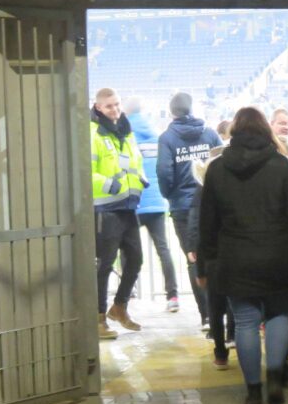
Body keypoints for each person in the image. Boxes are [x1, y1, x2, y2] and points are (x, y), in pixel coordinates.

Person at [197, 107, 288, 404]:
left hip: (235, 257)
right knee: (277, 316)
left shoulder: (217, 169)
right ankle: (274, 379)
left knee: (245, 323)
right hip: (278, 254)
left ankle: (253, 391)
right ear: (264, 130)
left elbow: (207, 221)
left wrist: (203, 263)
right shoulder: (282, 165)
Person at [157, 92, 221, 327]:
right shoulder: (210, 134)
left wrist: (171, 195)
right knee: (218, 255)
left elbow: (164, 172)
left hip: (183, 206)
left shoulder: (167, 138)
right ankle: (225, 313)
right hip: (213, 204)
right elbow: (221, 161)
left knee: (194, 258)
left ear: (172, 112)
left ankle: (207, 316)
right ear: (192, 108)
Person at [93, 88, 149, 339]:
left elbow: (135, 163)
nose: (114, 110)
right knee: (104, 265)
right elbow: (87, 170)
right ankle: (99, 318)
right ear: (98, 107)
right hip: (106, 209)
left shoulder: (126, 131)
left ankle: (119, 307)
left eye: (117, 105)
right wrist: (109, 185)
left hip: (127, 207)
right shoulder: (92, 133)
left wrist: (140, 183)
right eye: (109, 107)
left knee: (136, 259)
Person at [125, 96, 179, 312]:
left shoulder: (126, 135)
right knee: (163, 249)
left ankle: (127, 292)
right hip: (157, 202)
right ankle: (173, 295)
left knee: (128, 250)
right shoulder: (156, 134)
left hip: (135, 202)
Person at [187, 150, 236, 369]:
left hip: (214, 259)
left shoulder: (204, 192)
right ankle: (231, 339)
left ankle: (220, 353)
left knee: (215, 307)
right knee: (236, 304)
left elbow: (201, 228)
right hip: (234, 255)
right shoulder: (237, 189)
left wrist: (201, 269)